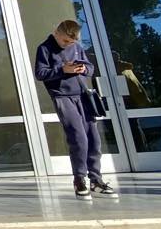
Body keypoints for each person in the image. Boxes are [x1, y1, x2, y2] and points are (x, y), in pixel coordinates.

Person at [34, 20, 117, 198]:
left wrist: (83, 68)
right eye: (65, 41)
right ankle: (79, 179)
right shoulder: (44, 48)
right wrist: (62, 70)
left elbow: (90, 68)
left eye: (71, 42)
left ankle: (96, 180)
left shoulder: (76, 47)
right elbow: (40, 74)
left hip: (83, 96)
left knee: (93, 139)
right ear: (56, 32)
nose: (68, 44)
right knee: (78, 137)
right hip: (62, 97)